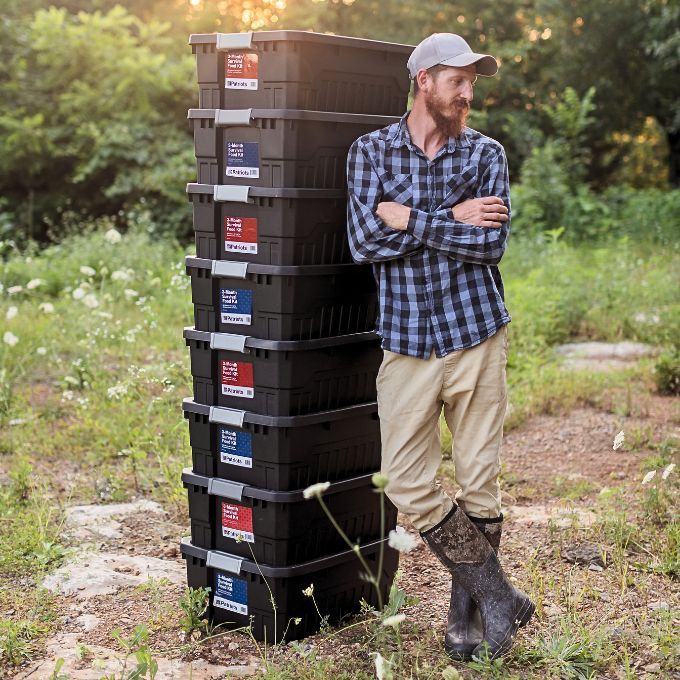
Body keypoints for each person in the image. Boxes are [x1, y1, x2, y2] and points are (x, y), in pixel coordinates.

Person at [345, 33, 534, 660]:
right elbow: (366, 243)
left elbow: (489, 246)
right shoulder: (370, 152)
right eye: (459, 80)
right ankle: (498, 592)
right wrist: (452, 217)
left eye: (473, 81)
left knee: (480, 481)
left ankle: (469, 620)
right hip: (406, 342)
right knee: (405, 480)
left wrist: (414, 218)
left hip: (477, 333)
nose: (468, 92)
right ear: (424, 79)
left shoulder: (485, 152)